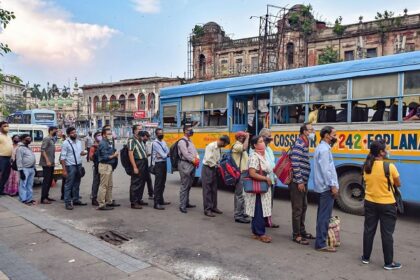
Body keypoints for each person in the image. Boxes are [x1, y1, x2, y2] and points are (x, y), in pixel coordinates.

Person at [362, 140, 402, 270]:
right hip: (387, 204)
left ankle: (365, 258)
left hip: (370, 202)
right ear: (381, 152)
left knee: (369, 230)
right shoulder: (389, 166)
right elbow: (398, 184)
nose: (387, 151)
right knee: (387, 234)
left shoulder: (366, 165)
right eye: (386, 149)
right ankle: (388, 263)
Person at [313, 126, 339, 252]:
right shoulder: (324, 150)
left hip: (323, 187)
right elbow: (326, 171)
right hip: (326, 188)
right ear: (327, 135)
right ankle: (321, 243)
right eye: (334, 134)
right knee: (324, 216)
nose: (336, 137)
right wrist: (332, 185)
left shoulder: (323, 148)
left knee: (322, 215)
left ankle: (320, 239)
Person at [289, 123, 315, 245]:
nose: (313, 131)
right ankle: (296, 235)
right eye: (311, 130)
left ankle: (302, 230)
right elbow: (295, 163)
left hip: (303, 181)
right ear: (304, 131)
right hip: (297, 182)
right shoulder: (299, 144)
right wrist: (299, 181)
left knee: (304, 206)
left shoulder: (305, 142)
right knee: (298, 208)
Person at [244, 136, 273, 243]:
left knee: (259, 209)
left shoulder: (263, 155)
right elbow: (252, 173)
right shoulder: (254, 156)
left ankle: (256, 232)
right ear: (255, 145)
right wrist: (265, 178)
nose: (263, 143)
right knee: (259, 210)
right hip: (258, 187)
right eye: (260, 142)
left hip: (262, 186)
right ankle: (261, 233)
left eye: (263, 141)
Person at [202, 135, 230, 217]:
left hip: (214, 168)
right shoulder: (210, 146)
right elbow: (208, 159)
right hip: (207, 168)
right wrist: (217, 165)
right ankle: (207, 209)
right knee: (207, 190)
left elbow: (217, 159)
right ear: (222, 141)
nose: (225, 146)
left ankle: (214, 207)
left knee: (214, 189)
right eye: (225, 144)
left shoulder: (219, 148)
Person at [60, 127, 88, 210]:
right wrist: (64, 170)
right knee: (69, 185)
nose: (74, 134)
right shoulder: (66, 143)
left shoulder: (78, 142)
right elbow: (62, 158)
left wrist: (84, 153)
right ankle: (67, 202)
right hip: (70, 166)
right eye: (72, 133)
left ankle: (76, 199)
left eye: (75, 132)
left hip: (78, 165)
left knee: (77, 184)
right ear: (68, 134)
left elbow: (79, 153)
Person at [258, 128, 279, 229]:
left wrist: (275, 177)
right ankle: (261, 221)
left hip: (271, 178)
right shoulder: (258, 149)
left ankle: (268, 221)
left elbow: (272, 164)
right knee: (262, 202)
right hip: (264, 179)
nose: (270, 138)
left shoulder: (269, 149)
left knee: (269, 202)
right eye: (268, 136)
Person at [177, 125, 199, 213]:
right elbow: (185, 154)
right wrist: (194, 160)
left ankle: (186, 202)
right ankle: (182, 205)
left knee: (189, 185)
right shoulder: (182, 142)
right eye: (190, 130)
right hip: (185, 164)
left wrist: (197, 158)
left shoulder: (190, 141)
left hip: (192, 164)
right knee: (184, 185)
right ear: (185, 131)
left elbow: (194, 151)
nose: (192, 131)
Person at [97, 128, 119, 210]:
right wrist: (114, 155)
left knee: (109, 185)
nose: (110, 135)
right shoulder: (103, 143)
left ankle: (109, 201)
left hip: (109, 166)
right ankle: (101, 204)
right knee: (104, 186)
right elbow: (104, 157)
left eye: (111, 133)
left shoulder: (108, 142)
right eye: (108, 134)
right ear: (103, 135)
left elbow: (111, 151)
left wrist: (114, 152)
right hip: (104, 165)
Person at [231, 131, 251, 224]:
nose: (244, 138)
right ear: (240, 138)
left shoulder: (239, 145)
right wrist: (247, 137)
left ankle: (240, 212)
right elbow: (244, 148)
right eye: (243, 137)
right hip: (240, 173)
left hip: (243, 173)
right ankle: (238, 215)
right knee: (240, 195)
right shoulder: (237, 145)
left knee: (241, 194)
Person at [128, 126, 149, 209]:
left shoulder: (140, 140)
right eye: (139, 129)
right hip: (138, 163)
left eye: (141, 129)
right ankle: (134, 202)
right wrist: (134, 167)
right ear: (134, 131)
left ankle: (139, 199)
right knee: (135, 182)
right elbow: (130, 154)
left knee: (142, 182)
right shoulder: (131, 140)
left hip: (144, 162)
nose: (141, 131)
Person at [152, 128, 170, 210]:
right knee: (158, 184)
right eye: (159, 133)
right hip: (158, 164)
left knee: (163, 183)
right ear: (156, 134)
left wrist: (165, 154)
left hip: (164, 163)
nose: (161, 134)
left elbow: (167, 151)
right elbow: (164, 155)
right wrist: (165, 154)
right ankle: (156, 203)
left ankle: (161, 200)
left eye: (162, 133)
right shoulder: (155, 143)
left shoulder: (163, 141)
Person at [40, 126, 58, 204]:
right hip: (47, 163)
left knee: (50, 180)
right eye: (55, 131)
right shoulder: (47, 139)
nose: (56, 132)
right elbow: (42, 150)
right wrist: (47, 160)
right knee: (46, 181)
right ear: (50, 131)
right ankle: (43, 198)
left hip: (51, 163)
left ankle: (46, 196)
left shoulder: (52, 139)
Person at [16, 134, 36, 205]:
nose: (30, 139)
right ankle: (23, 199)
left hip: (31, 168)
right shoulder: (20, 148)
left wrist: (34, 168)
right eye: (28, 138)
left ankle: (29, 199)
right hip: (24, 169)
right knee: (23, 185)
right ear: (23, 139)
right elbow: (19, 160)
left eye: (30, 138)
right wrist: (21, 171)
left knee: (30, 185)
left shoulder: (28, 147)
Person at [0, 121, 13, 195]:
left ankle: (1, 190)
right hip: (1, 158)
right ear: (0, 127)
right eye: (4, 126)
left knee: (6, 175)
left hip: (8, 158)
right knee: (1, 174)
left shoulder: (8, 136)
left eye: (7, 126)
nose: (7, 127)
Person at [90, 131, 102, 206]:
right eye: (98, 135)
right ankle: (94, 198)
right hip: (97, 167)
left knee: (105, 184)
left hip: (105, 166)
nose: (99, 136)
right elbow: (90, 157)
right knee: (96, 183)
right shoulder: (93, 147)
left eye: (100, 135)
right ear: (95, 137)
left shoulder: (104, 144)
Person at [142, 131, 154, 200]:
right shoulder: (141, 143)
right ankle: (138, 197)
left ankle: (151, 194)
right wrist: (148, 154)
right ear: (144, 136)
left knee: (149, 180)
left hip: (145, 164)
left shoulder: (145, 143)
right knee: (142, 181)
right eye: (147, 137)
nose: (148, 138)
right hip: (141, 165)